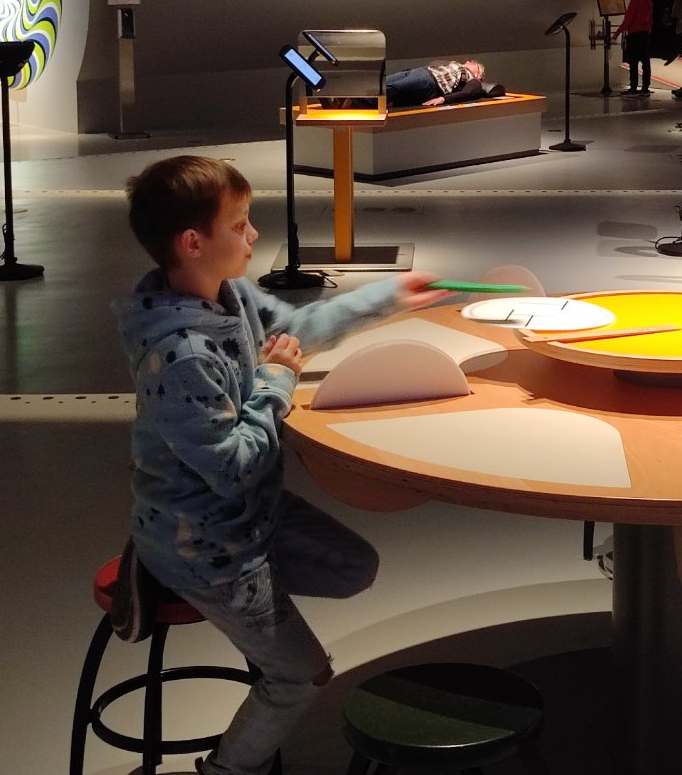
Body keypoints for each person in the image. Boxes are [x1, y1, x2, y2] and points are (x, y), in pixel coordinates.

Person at [112, 155, 447, 775]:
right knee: (301, 676)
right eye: (240, 224)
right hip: (204, 542)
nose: (254, 234)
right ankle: (226, 768)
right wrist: (274, 382)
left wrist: (388, 297)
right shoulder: (181, 355)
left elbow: (293, 329)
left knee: (354, 566)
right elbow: (232, 467)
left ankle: (251, 612)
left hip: (250, 515)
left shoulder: (230, 294)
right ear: (193, 243)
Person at [612, 0, 654, 95]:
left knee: (633, 62)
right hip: (645, 34)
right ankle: (645, 87)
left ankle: (633, 87)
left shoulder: (635, 1)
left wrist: (617, 33)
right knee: (646, 62)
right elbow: (651, 19)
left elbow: (628, 20)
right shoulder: (648, 0)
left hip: (634, 35)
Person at [385, 59, 485, 108]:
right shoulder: (456, 65)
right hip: (422, 71)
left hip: (430, 80)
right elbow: (435, 63)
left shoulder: (473, 79)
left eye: (473, 63)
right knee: (383, 83)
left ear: (478, 74)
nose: (469, 61)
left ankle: (374, 106)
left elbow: (467, 92)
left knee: (391, 89)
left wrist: (442, 99)